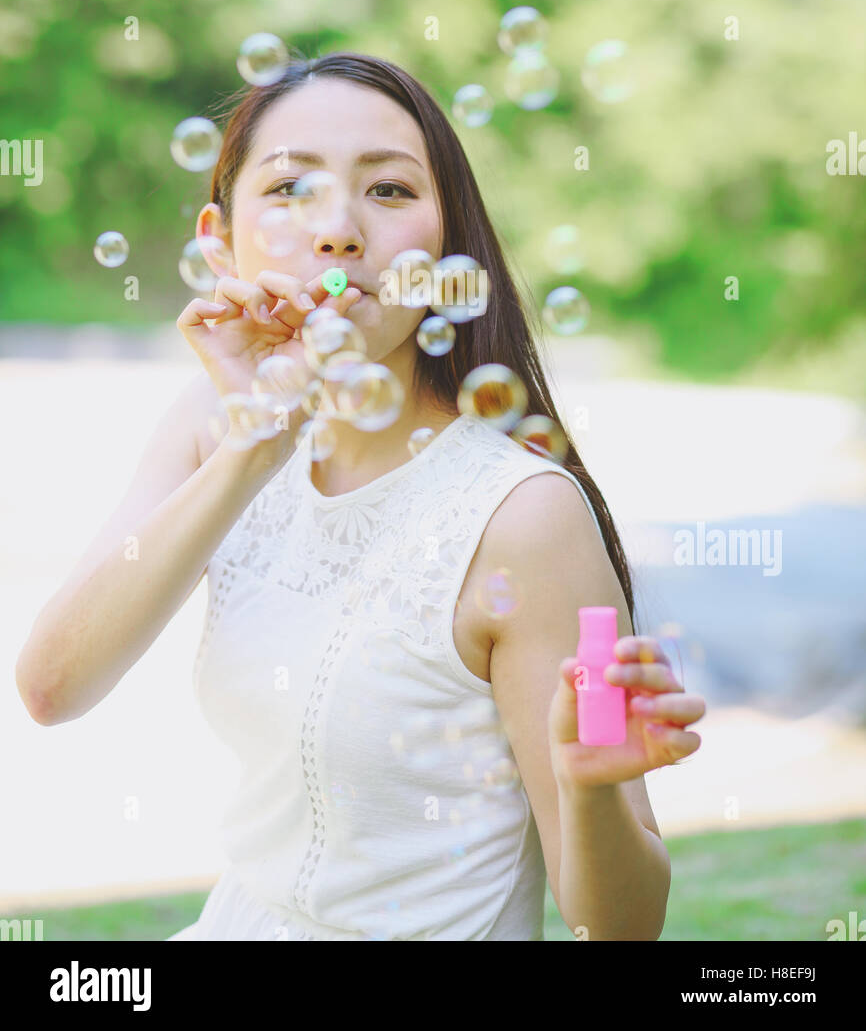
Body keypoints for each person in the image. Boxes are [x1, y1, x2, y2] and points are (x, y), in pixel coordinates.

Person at [16, 50, 704, 941]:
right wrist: (254, 444)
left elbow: (619, 929)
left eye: (387, 192)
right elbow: (53, 686)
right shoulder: (209, 426)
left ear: (448, 249)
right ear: (218, 241)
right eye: (292, 189)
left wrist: (591, 785)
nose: (338, 231)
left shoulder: (522, 516)